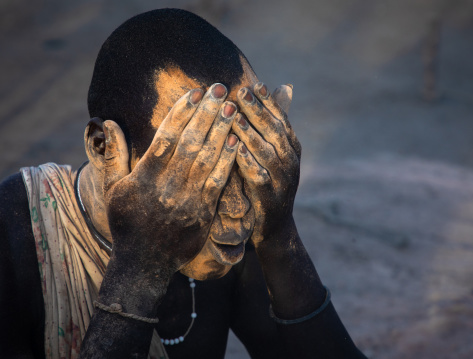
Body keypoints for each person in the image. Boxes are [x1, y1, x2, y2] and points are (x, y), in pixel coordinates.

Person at [0, 8, 367, 359]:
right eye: (202, 168)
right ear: (103, 147)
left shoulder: (238, 231)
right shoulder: (14, 240)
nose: (238, 212)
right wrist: (143, 264)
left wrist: (277, 233)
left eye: (244, 165)